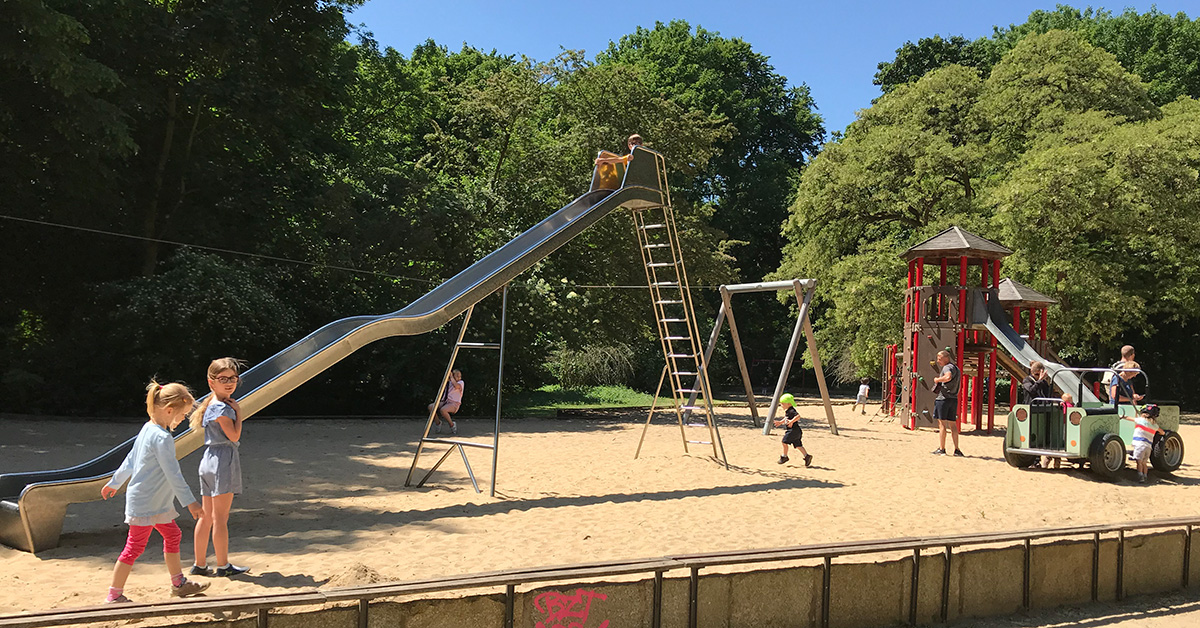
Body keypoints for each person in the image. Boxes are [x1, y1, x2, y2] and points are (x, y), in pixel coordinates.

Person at [100, 381, 210, 603]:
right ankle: (114, 595)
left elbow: (131, 459)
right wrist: (190, 502)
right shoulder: (161, 437)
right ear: (169, 410)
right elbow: (173, 473)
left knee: (173, 534)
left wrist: (115, 482)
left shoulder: (148, 428)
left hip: (155, 501)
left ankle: (178, 584)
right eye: (182, 415)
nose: (181, 420)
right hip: (147, 502)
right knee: (134, 548)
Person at [189, 358, 250, 578]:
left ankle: (200, 564)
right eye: (223, 379)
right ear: (211, 381)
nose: (230, 383)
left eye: (233, 378)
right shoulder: (223, 408)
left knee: (206, 516)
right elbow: (234, 436)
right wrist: (239, 414)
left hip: (208, 459)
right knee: (220, 518)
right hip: (222, 460)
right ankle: (223, 565)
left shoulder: (211, 404)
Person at [930, 350, 963, 457]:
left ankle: (942, 448)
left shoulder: (947, 368)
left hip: (943, 399)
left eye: (939, 358)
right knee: (953, 424)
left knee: (942, 424)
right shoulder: (957, 369)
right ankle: (957, 449)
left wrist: (937, 380)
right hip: (953, 399)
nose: (938, 361)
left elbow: (948, 377)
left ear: (945, 358)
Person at [1123, 404, 1164, 483]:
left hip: (1139, 445)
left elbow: (1129, 418)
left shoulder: (1140, 420)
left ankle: (1140, 476)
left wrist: (1122, 416)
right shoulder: (1154, 425)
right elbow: (1162, 432)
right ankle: (1145, 476)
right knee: (1144, 463)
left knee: (1139, 462)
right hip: (1148, 447)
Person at [773, 393, 813, 467]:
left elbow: (798, 416)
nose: (781, 405)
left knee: (784, 442)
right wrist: (780, 422)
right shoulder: (788, 411)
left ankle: (784, 456)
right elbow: (786, 418)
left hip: (793, 430)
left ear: (788, 403)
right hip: (797, 431)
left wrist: (791, 422)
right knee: (798, 445)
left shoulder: (791, 410)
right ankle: (807, 456)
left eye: (782, 403)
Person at [429, 369, 464, 435]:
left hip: (454, 403)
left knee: (443, 410)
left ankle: (452, 424)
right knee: (431, 407)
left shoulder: (461, 382)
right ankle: (438, 423)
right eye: (457, 376)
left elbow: (456, 386)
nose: (459, 378)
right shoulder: (449, 382)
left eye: (460, 376)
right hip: (445, 401)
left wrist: (451, 377)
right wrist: (448, 378)